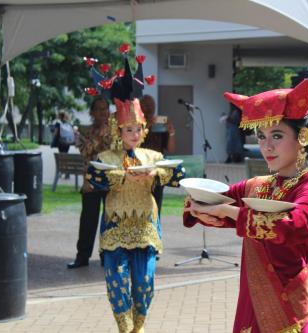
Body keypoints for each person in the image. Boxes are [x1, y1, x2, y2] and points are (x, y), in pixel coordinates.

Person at [183, 79, 308, 333]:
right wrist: (198, 202)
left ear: (302, 137)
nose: (267, 146)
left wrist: (228, 212)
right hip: (252, 307)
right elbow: (221, 199)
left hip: (291, 311)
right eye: (261, 137)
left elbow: (296, 226)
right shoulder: (258, 185)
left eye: (277, 136)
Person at [86, 47, 185, 333]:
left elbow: (178, 174)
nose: (133, 134)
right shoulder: (107, 158)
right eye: (128, 129)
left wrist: (155, 174)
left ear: (143, 129)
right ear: (119, 131)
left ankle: (138, 326)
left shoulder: (152, 156)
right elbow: (95, 179)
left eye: (137, 129)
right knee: (117, 282)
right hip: (116, 228)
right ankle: (125, 329)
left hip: (144, 228)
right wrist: (122, 177)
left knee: (144, 283)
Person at [67, 96, 111, 269]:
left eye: (105, 109)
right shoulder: (85, 131)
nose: (102, 113)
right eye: (98, 109)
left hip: (111, 182)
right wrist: (98, 136)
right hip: (91, 182)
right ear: (92, 112)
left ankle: (107, 255)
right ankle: (82, 257)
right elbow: (85, 151)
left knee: (109, 221)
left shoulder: (116, 131)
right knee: (87, 220)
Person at [140, 94, 176, 217]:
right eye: (145, 105)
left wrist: (171, 132)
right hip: (141, 172)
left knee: (156, 207)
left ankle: (155, 232)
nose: (149, 108)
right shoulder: (136, 126)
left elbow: (170, 149)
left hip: (157, 172)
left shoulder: (160, 126)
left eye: (151, 105)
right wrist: (147, 126)